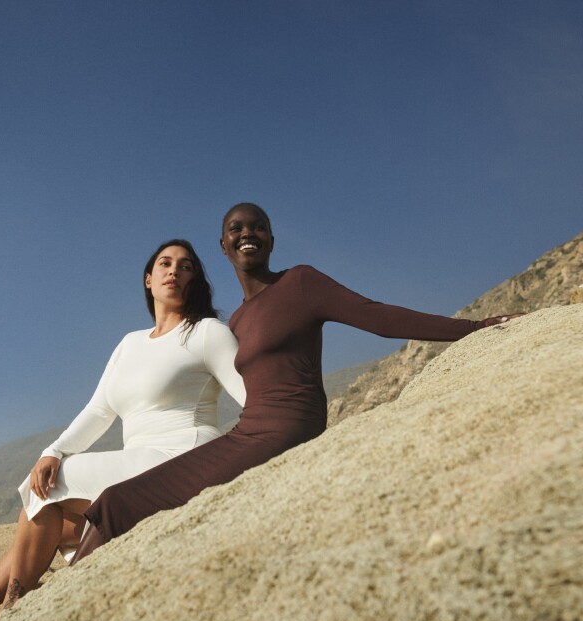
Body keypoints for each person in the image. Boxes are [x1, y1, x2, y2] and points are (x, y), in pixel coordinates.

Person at [72, 203, 519, 562]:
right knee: (115, 501)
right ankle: (61, 599)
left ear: (270, 239)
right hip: (247, 433)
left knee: (122, 502)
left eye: (258, 226)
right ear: (224, 246)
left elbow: (377, 316)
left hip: (287, 431)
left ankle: (67, 603)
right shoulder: (239, 321)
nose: (247, 233)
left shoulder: (301, 283)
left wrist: (474, 326)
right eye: (236, 228)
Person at [0, 239, 245, 621]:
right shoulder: (129, 343)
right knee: (50, 512)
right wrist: (54, 451)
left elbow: (252, 398)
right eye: (165, 264)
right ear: (148, 279)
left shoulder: (207, 333)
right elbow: (100, 409)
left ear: (196, 280)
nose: (174, 271)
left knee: (51, 488)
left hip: (183, 456)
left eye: (186, 266)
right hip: (139, 466)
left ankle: (12, 608)